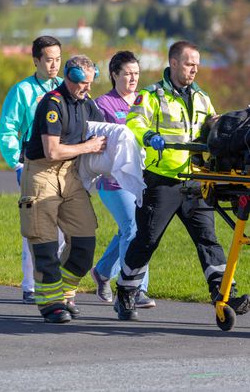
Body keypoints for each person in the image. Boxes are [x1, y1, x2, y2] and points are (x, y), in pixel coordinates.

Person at [113, 40, 250, 321]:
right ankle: (126, 292)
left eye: (197, 66)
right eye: (190, 64)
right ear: (174, 63)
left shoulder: (202, 97)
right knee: (147, 240)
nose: (194, 70)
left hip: (195, 182)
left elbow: (211, 128)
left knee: (208, 240)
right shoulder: (151, 95)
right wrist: (149, 137)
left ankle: (225, 295)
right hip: (162, 181)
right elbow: (134, 122)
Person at [19, 54, 107, 323]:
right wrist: (88, 148)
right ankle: (51, 304)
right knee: (44, 244)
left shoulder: (85, 103)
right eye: (84, 83)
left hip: (70, 175)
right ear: (70, 78)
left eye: (92, 83)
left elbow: (105, 127)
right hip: (42, 174)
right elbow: (52, 150)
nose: (88, 89)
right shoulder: (52, 103)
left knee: (84, 242)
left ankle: (65, 292)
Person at [0, 35, 66, 304]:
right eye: (48, 59)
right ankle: (31, 285)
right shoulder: (22, 91)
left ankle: (53, 282)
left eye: (58, 59)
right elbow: (8, 130)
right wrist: (16, 162)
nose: (54, 65)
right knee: (36, 227)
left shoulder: (64, 87)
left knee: (63, 229)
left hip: (63, 167)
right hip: (33, 167)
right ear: (36, 60)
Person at [90, 51, 155, 308]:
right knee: (135, 229)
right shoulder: (102, 105)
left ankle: (103, 271)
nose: (132, 78)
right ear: (114, 74)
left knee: (127, 230)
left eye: (136, 73)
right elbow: (95, 142)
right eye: (127, 73)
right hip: (113, 180)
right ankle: (136, 288)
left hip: (142, 179)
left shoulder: (144, 102)